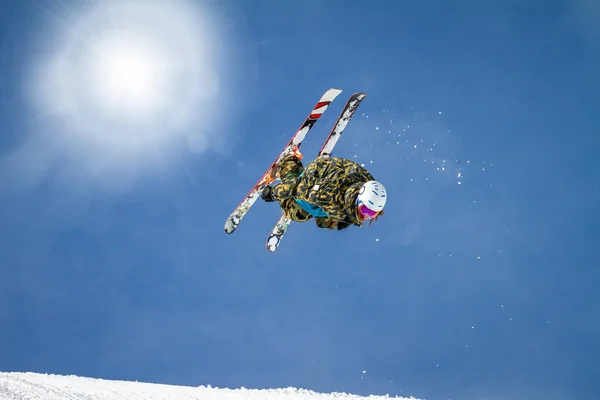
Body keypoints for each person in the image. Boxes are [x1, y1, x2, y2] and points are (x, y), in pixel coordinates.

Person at [261, 147, 387, 230]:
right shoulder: (328, 196)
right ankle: (289, 162)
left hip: (328, 177)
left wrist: (348, 219)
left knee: (327, 222)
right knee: (299, 215)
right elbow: (297, 187)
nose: (367, 216)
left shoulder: (369, 183)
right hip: (313, 180)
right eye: (366, 211)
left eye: (373, 213)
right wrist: (272, 193)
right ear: (359, 199)